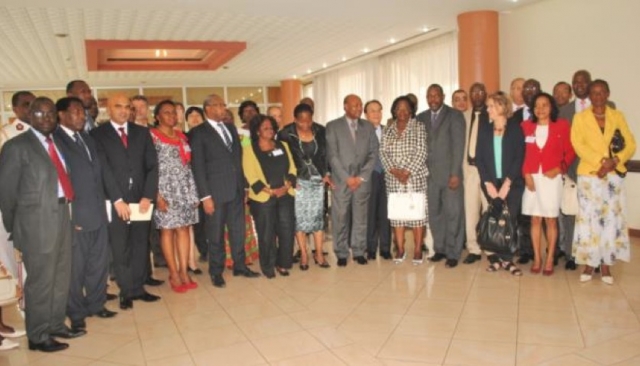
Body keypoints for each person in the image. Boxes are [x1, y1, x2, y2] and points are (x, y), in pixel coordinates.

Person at [0, 97, 80, 352]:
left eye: (50, 114)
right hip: (35, 223)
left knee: (61, 275)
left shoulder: (55, 143)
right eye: (40, 114)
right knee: (41, 281)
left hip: (61, 215)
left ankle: (55, 324)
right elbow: (7, 193)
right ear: (30, 116)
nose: (46, 119)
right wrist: (17, 228)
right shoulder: (16, 146)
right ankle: (37, 335)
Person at [91, 93, 160, 309]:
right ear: (108, 109)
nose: (124, 110)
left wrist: (148, 196)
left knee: (140, 244)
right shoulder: (98, 134)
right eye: (118, 106)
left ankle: (139, 288)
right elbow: (103, 169)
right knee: (120, 247)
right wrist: (117, 199)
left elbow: (152, 166)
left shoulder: (142, 133)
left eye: (127, 107)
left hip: (141, 200)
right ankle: (126, 290)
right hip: (116, 201)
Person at [53, 97, 117, 332]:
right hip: (76, 215)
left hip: (99, 211)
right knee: (76, 268)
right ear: (61, 115)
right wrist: (71, 217)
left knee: (98, 263)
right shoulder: (56, 141)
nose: (82, 116)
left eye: (82, 112)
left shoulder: (88, 139)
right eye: (76, 112)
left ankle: (96, 303)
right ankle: (76, 312)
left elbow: (100, 175)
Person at [190, 94, 260, 288]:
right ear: (208, 109)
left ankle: (240, 266)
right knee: (216, 234)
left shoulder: (230, 128)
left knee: (238, 231)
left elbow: (238, 159)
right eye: (219, 105)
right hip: (215, 193)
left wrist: (245, 186)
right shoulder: (198, 133)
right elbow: (198, 167)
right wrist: (205, 196)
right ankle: (216, 271)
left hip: (236, 189)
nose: (223, 108)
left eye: (223, 105)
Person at [571, 79, 636, 285]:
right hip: (590, 176)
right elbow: (578, 144)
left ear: (608, 94)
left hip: (613, 176)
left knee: (610, 220)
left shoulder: (617, 116)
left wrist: (614, 161)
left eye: (601, 92)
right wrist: (600, 162)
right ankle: (590, 264)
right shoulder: (580, 118)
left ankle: (606, 264)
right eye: (594, 93)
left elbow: (631, 143)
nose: (598, 96)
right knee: (589, 220)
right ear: (589, 96)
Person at [557, 70, 616, 270]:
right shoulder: (565, 111)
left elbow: (616, 141)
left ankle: (598, 256)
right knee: (573, 214)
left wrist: (610, 163)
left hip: (602, 172)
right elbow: (563, 143)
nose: (579, 85)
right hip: (573, 171)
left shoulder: (609, 108)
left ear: (590, 85)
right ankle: (572, 254)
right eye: (575, 82)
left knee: (598, 216)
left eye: (583, 82)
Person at [521, 93, 575, 276]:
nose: (541, 109)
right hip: (532, 178)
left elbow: (570, 152)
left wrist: (559, 168)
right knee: (535, 218)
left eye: (545, 105)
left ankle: (550, 257)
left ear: (551, 107)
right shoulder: (526, 126)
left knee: (551, 219)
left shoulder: (562, 126)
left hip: (552, 179)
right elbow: (521, 153)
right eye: (537, 105)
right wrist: (526, 174)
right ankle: (537, 257)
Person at [149, 100, 200, 292]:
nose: (171, 116)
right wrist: (156, 194)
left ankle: (184, 270)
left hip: (185, 188)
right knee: (167, 230)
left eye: (173, 113)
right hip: (164, 190)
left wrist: (193, 192)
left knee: (184, 229)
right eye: (166, 112)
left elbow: (188, 166)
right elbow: (149, 167)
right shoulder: (152, 136)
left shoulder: (182, 137)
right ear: (157, 116)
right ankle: (174, 273)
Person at [476, 92, 525, 276]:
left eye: (491, 106)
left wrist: (507, 184)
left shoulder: (515, 128)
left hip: (511, 183)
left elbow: (518, 158)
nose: (487, 109)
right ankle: (495, 259)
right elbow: (479, 158)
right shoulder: (485, 128)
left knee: (509, 219)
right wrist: (488, 183)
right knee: (494, 219)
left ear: (502, 107)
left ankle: (507, 260)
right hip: (491, 183)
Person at [416, 84, 465, 268]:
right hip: (429, 177)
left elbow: (458, 146)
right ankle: (440, 249)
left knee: (453, 214)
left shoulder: (455, 115)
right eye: (430, 96)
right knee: (435, 215)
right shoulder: (420, 118)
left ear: (443, 96)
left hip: (450, 175)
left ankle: (453, 252)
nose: (433, 99)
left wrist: (454, 173)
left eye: (436, 95)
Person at [326, 94, 378, 266]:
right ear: (345, 106)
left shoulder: (368, 127)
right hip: (342, 181)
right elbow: (332, 156)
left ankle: (358, 251)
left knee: (361, 218)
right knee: (340, 217)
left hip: (362, 182)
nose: (358, 108)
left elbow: (373, 153)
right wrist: (347, 178)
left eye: (360, 105)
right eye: (355, 105)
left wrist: (361, 177)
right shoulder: (333, 126)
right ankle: (341, 252)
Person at [279, 103, 332, 269]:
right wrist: (289, 180)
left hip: (317, 180)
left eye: (309, 121)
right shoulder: (285, 133)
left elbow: (326, 154)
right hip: (298, 182)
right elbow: (282, 160)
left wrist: (327, 174)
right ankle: (303, 254)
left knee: (318, 218)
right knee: (300, 220)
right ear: (295, 119)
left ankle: (318, 253)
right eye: (301, 122)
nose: (305, 125)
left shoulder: (321, 130)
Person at [244, 114, 296, 277]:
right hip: (263, 198)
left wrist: (287, 186)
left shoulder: (283, 145)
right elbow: (251, 175)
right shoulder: (249, 149)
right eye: (265, 128)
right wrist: (270, 191)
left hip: (285, 195)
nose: (269, 130)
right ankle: (267, 266)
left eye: (271, 127)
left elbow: (292, 169)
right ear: (257, 131)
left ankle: (283, 263)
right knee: (266, 233)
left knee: (286, 230)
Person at [381, 96, 428, 264]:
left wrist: (407, 172)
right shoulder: (387, 129)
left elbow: (421, 152)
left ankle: (417, 249)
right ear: (394, 111)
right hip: (393, 179)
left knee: (417, 215)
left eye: (406, 108)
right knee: (397, 216)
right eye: (398, 108)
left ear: (411, 111)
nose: (402, 112)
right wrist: (395, 171)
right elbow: (383, 153)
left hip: (414, 177)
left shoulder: (419, 127)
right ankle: (400, 249)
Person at [511, 78, 541, 265]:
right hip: (520, 170)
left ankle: (552, 252)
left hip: (542, 171)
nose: (527, 93)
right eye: (524, 90)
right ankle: (526, 250)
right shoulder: (515, 115)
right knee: (523, 214)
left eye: (531, 89)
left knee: (544, 214)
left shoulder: (544, 112)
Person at [462, 83, 490, 265]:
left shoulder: (493, 114)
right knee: (471, 210)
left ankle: (491, 247)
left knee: (489, 209)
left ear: (485, 94)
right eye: (474, 92)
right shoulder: (463, 116)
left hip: (488, 170)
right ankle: (473, 248)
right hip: (470, 169)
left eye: (480, 92)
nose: (477, 95)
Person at [363, 100, 392, 260]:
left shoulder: (389, 130)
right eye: (372, 111)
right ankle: (371, 248)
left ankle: (386, 248)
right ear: (365, 114)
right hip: (369, 176)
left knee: (386, 213)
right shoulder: (362, 132)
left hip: (387, 175)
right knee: (370, 213)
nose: (376, 114)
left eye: (379, 110)